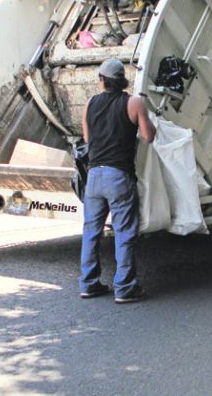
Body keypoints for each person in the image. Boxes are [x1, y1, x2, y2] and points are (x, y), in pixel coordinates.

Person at [79, 58, 156, 303]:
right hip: (118, 176)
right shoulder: (134, 103)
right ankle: (124, 287)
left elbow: (88, 140)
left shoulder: (89, 104)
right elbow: (148, 136)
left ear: (102, 80)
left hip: (94, 175)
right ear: (122, 80)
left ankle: (89, 284)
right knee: (123, 232)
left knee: (91, 231)